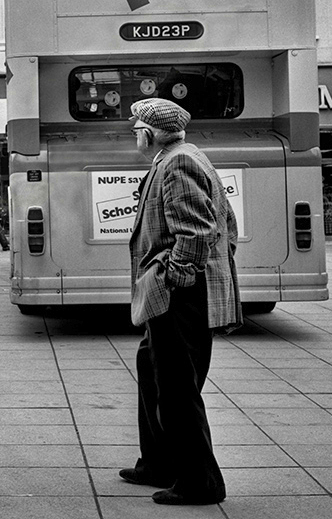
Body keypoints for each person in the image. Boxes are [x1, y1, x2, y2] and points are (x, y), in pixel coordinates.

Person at [120, 98, 242, 506]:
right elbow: (228, 224)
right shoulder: (174, 157)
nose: (134, 133)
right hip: (173, 291)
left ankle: (200, 482)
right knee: (152, 369)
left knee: (176, 387)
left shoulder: (179, 163)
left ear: (150, 133)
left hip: (180, 293)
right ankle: (158, 462)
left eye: (136, 127)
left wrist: (177, 276)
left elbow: (196, 231)